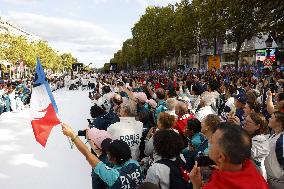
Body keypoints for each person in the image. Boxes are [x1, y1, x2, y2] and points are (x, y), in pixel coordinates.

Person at [61, 123, 143, 189]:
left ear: (112, 159)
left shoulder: (113, 176)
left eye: (108, 153)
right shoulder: (136, 164)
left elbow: (87, 154)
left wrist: (72, 135)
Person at [190, 122, 269, 189]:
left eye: (212, 142)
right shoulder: (252, 170)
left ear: (220, 157)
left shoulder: (215, 186)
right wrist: (221, 169)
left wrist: (196, 185)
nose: (209, 141)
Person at [243, 112, 270, 179]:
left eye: (249, 122)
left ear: (257, 126)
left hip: (257, 177)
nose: (245, 123)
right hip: (247, 175)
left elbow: (247, 152)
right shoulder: (247, 136)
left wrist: (238, 131)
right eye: (245, 120)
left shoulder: (262, 142)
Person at [265, 111, 284, 188]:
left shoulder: (281, 141)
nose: (269, 119)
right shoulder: (274, 135)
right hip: (272, 180)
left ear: (279, 122)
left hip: (278, 182)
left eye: (271, 117)